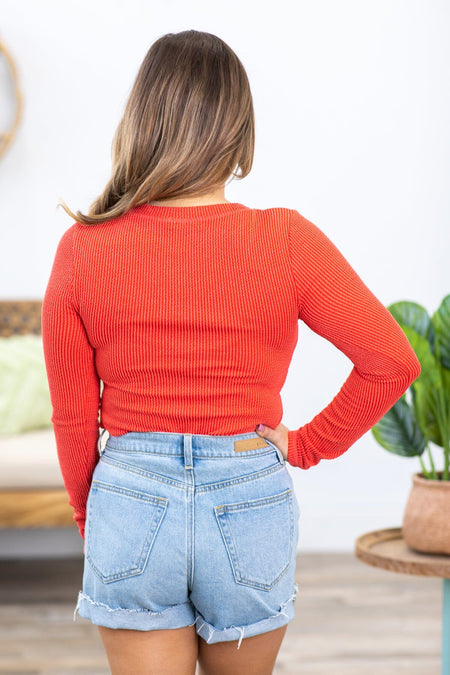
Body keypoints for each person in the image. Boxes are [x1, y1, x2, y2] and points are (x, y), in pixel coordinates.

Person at [41, 29, 421, 675]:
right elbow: (393, 360)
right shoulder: (286, 239)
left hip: (132, 493)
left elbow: (75, 418)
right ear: (239, 133)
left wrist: (94, 513)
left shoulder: (84, 247)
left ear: (142, 123)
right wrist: (304, 445)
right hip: (248, 490)